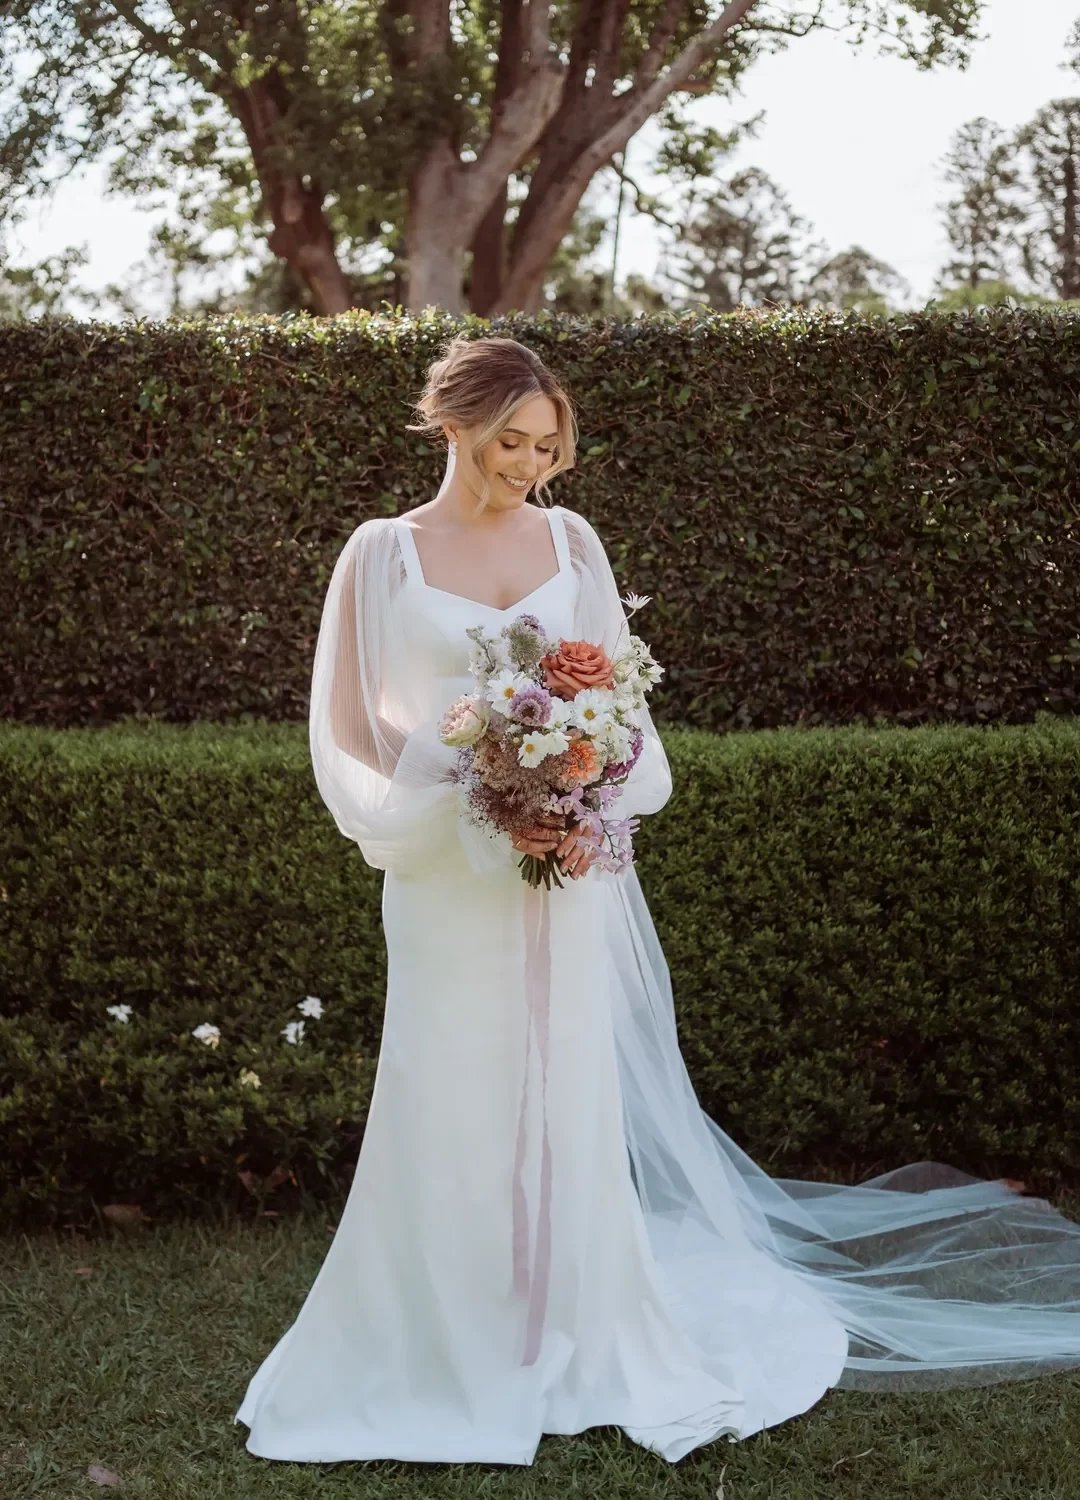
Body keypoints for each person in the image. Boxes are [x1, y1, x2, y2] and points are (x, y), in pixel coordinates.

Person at [235, 333, 1080, 1467]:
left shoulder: (570, 540)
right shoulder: (382, 555)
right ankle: (438, 1339)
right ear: (452, 424)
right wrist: (473, 786)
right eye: (507, 444)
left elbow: (619, 710)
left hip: (566, 870)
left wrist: (578, 797)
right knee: (450, 1092)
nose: (527, 468)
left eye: (546, 447)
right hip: (448, 874)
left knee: (566, 1093)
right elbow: (350, 723)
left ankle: (572, 1325)